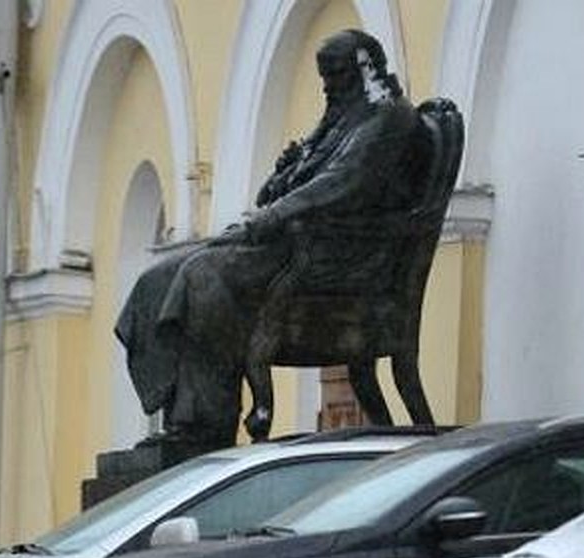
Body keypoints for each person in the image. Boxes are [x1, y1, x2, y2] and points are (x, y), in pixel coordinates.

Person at [115, 29, 423, 452]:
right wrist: (284, 176)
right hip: (290, 248)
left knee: (203, 276)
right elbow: (285, 191)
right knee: (158, 281)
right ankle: (181, 414)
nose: (329, 86)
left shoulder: (389, 119)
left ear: (363, 70)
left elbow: (341, 184)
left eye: (337, 75)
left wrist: (274, 215)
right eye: (325, 77)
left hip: (335, 262)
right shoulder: (338, 124)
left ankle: (206, 425)